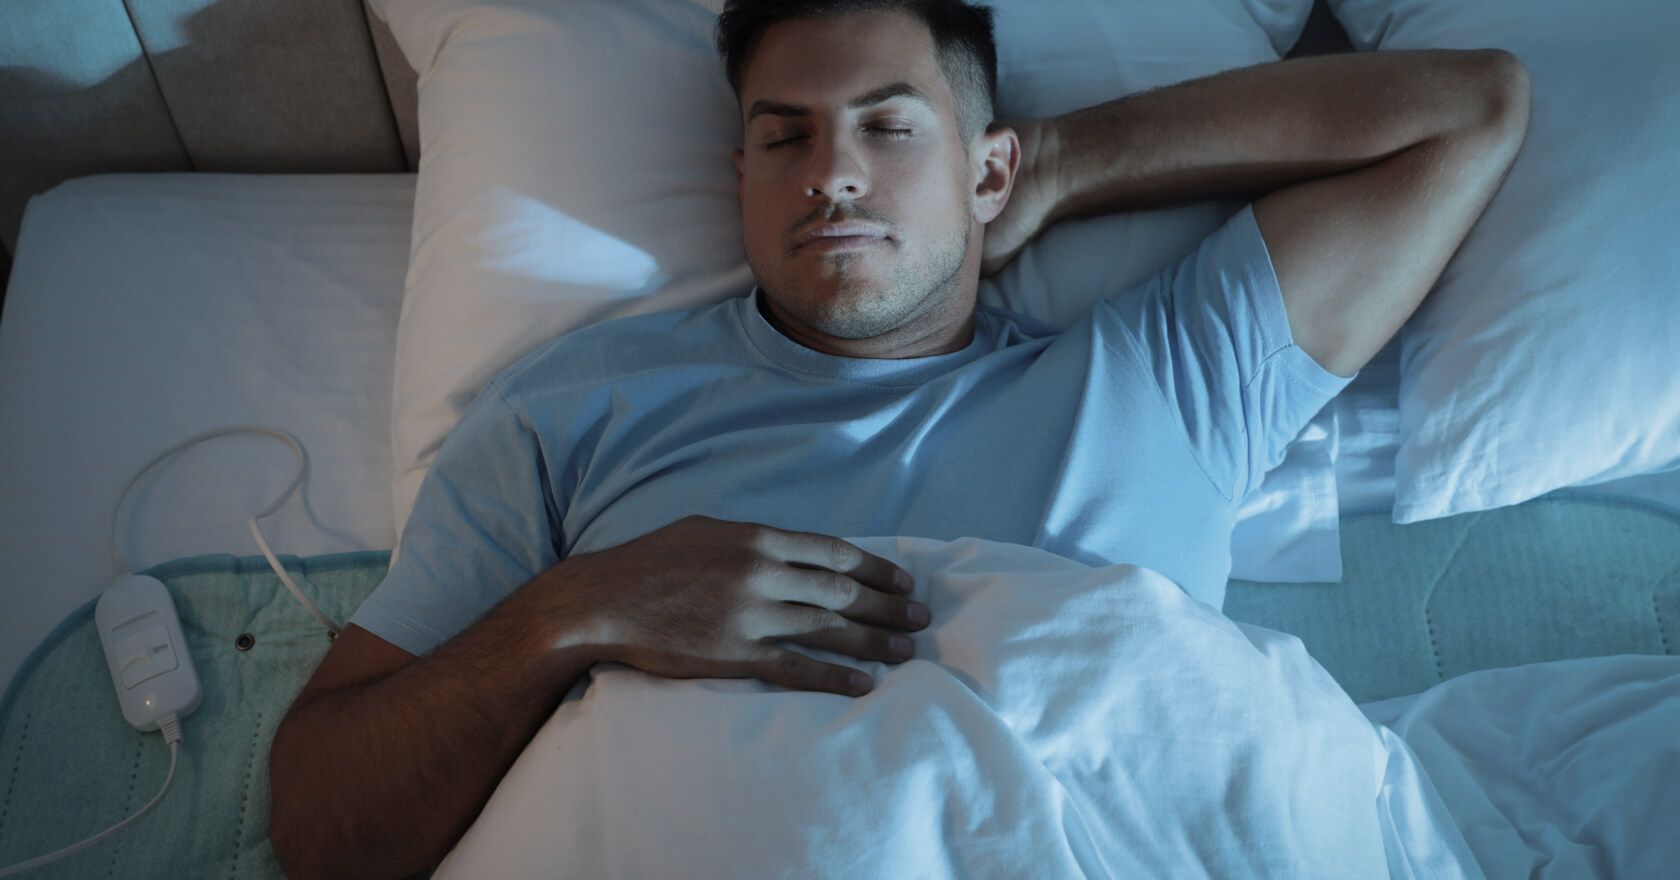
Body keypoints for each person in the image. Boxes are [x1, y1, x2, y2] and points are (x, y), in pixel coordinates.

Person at [268, 1, 1531, 876]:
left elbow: (1470, 108)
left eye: (889, 124)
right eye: (786, 135)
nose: (835, 173)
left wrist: (1068, 165)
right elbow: (325, 826)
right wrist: (571, 613)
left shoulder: (1160, 381)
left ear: (986, 171)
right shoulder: (573, 411)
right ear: (742, 175)